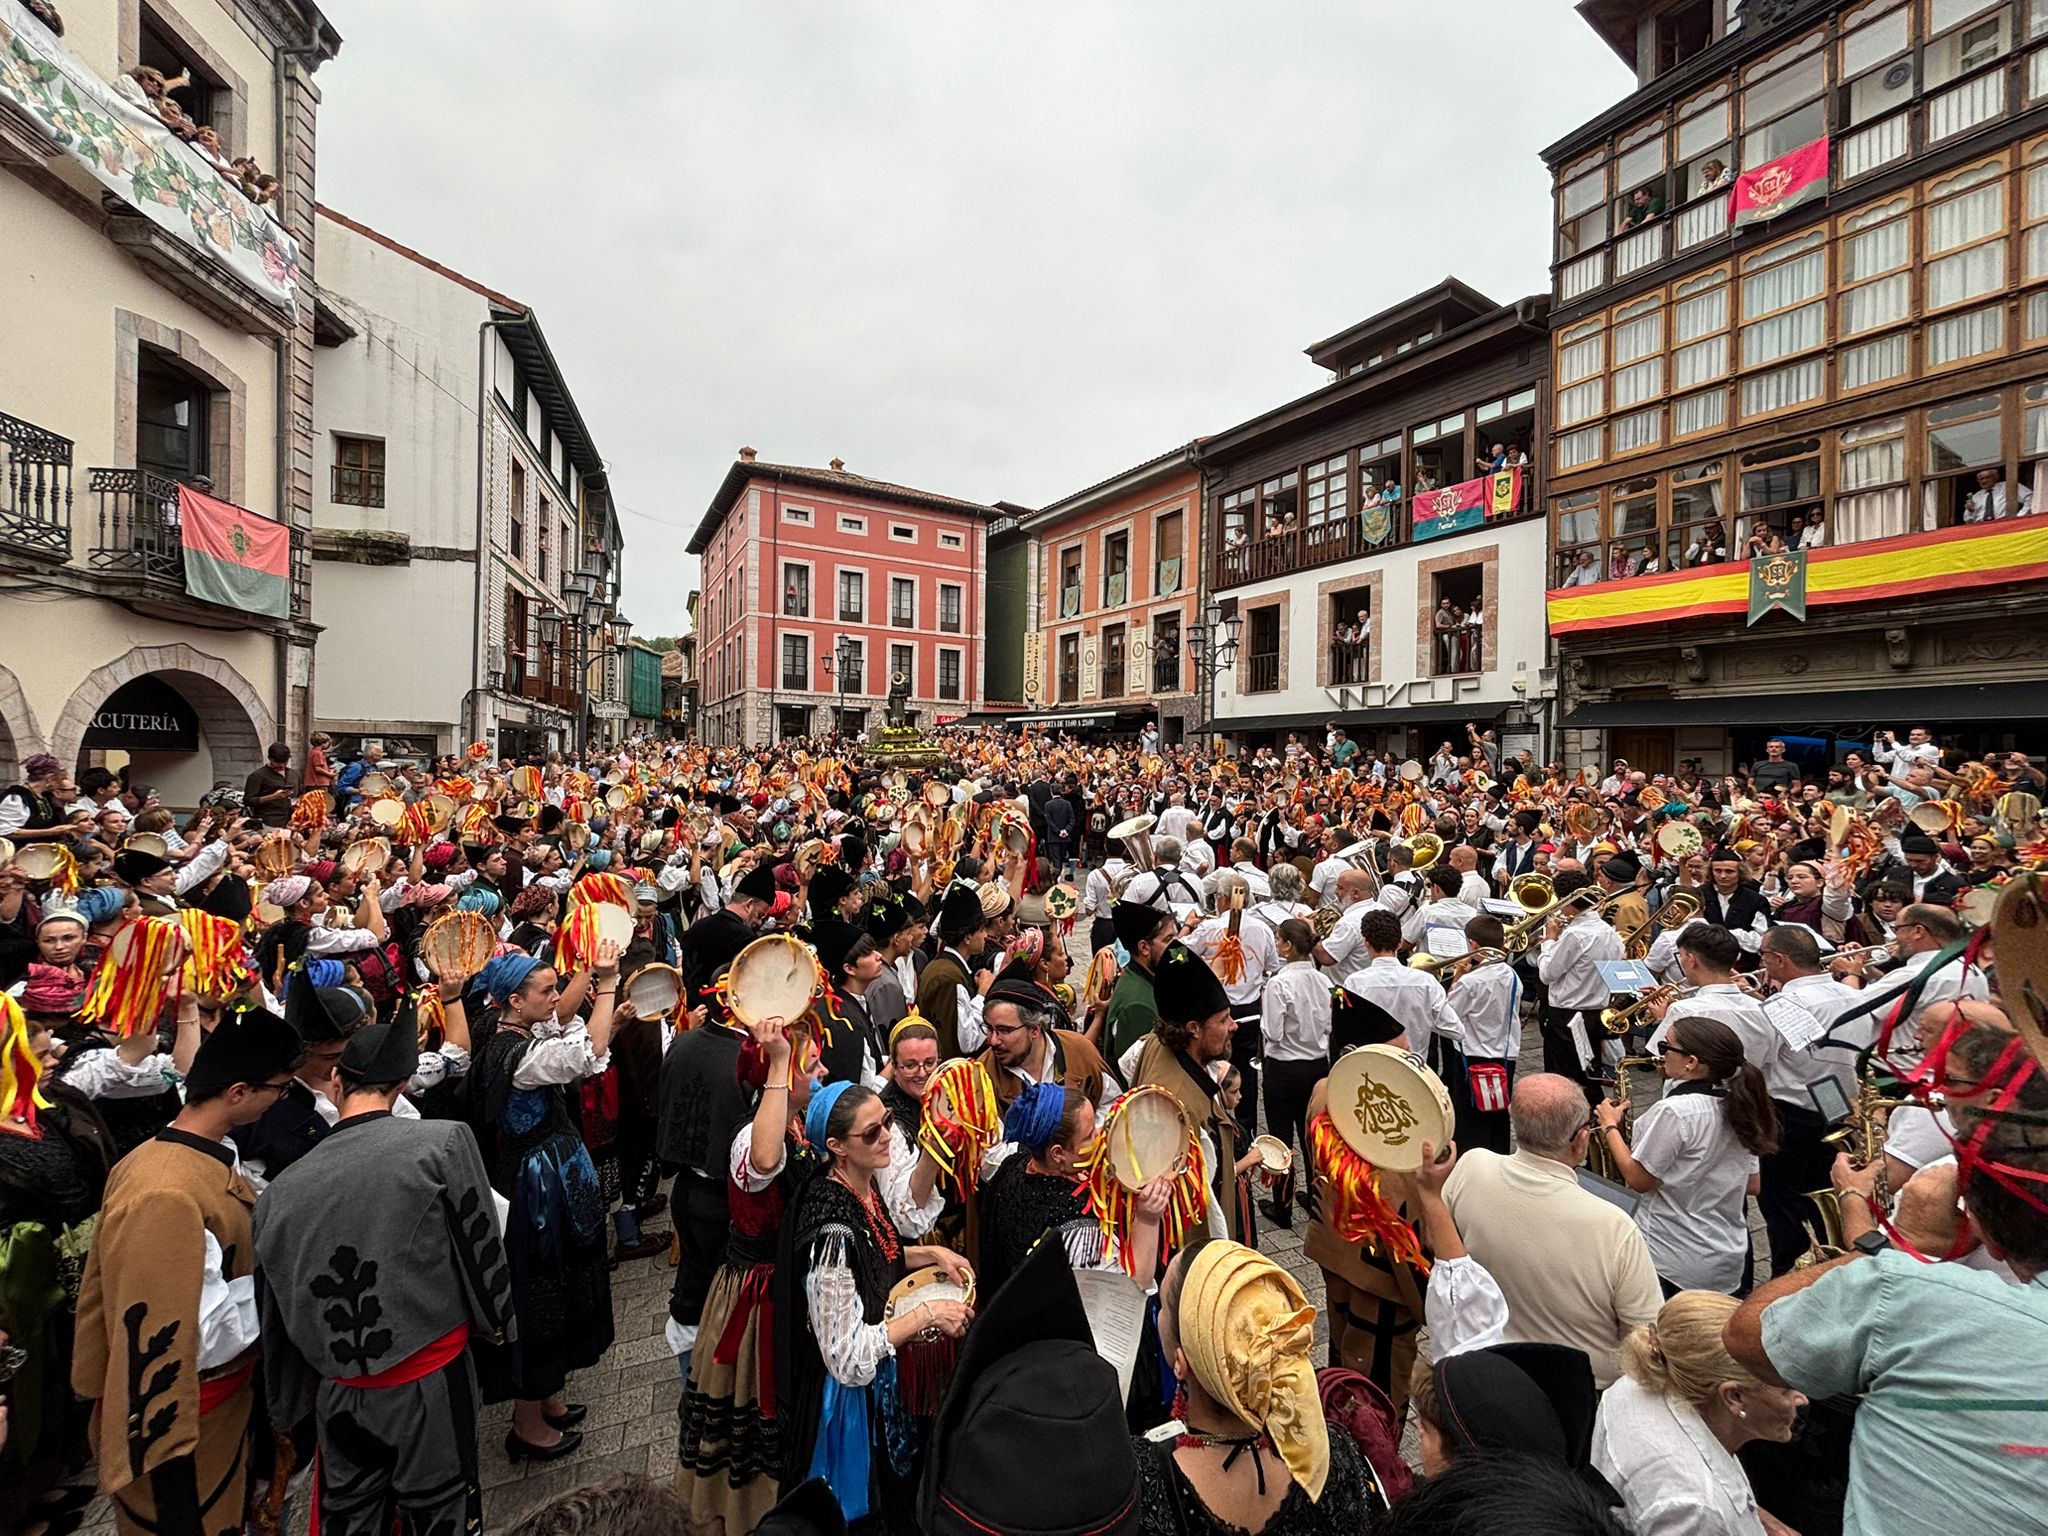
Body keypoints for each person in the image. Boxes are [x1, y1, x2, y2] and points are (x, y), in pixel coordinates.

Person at [252, 1008, 516, 1536]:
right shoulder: (441, 1142)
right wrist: (499, 1328)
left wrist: (290, 1413)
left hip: (339, 1393)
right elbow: (479, 1246)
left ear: (334, 1078)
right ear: (402, 1084)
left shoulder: (276, 1194)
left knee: (354, 1515)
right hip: (430, 1376)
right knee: (443, 1510)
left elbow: (274, 1311)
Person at [72, 1009, 303, 1536]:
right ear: (239, 1092)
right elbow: (192, 1333)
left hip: (220, 1415)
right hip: (185, 1431)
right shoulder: (165, 1193)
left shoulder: (193, 1154)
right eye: (279, 1089)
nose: (280, 1101)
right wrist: (285, 1279)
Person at [774, 1081, 972, 1530]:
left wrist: (930, 1254)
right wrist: (926, 1314)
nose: (887, 1136)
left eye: (886, 1122)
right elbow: (845, 1356)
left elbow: (878, 1255)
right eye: (871, 1133)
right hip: (852, 1402)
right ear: (836, 1147)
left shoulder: (861, 1182)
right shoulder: (832, 1234)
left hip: (882, 1371)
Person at [678, 1002, 828, 1532]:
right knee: (751, 1413)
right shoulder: (754, 1137)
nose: (821, 1073)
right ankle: (740, 1517)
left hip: (779, 1285)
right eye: (813, 1067)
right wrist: (782, 1061)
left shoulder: (793, 1127)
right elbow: (765, 1163)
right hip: (755, 1297)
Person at [472, 946, 621, 1460]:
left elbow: (571, 1035)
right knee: (538, 1291)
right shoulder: (513, 1052)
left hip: (550, 1168)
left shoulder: (520, 1035)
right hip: (535, 1184)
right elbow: (584, 1056)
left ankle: (548, 1394)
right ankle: (526, 1421)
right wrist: (605, 984)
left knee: (558, 1284)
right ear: (515, 1001)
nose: (556, 998)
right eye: (546, 991)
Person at [1134, 1238, 1387, 1533]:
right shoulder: (1334, 1453)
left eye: (1163, 1304)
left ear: (1181, 1362)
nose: (1159, 1312)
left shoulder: (1145, 1483)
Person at [1442, 1074, 1663, 1387]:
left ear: (1512, 1118)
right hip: (1579, 1389)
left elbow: (1441, 1246)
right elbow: (1643, 1337)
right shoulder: (1615, 1226)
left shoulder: (1471, 1166)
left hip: (1489, 1365)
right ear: (1581, 1139)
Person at [1593, 1291, 1805, 1536]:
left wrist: (1757, 1519)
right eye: (1787, 1388)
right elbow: (1703, 1507)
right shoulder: (1698, 1510)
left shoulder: (1640, 1380)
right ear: (1734, 1397)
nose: (1801, 1398)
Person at [1595, 1016, 1778, 1296]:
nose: (1661, 1053)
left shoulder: (1675, 1112)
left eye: (1666, 1046)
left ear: (1691, 1062)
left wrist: (1609, 1126)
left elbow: (1638, 1180)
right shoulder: (1740, 1104)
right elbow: (1752, 1184)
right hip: (1726, 1254)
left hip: (1672, 1255)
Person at [243, 741, 296, 829]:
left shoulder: (293, 774)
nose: (282, 765)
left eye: (285, 761)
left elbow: (299, 794)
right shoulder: (257, 776)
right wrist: (273, 797)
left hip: (290, 820)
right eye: (277, 762)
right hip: (269, 821)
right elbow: (248, 800)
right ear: (270, 758)